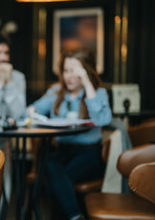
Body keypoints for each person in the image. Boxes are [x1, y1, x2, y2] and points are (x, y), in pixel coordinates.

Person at [27, 48, 112, 220]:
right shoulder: (57, 92)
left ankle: (73, 216)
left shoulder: (98, 93)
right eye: (66, 71)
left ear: (86, 72)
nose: (68, 76)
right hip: (63, 151)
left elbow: (103, 120)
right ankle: (76, 216)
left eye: (75, 71)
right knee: (50, 164)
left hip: (90, 153)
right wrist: (31, 110)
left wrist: (88, 84)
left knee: (55, 182)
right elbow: (30, 110)